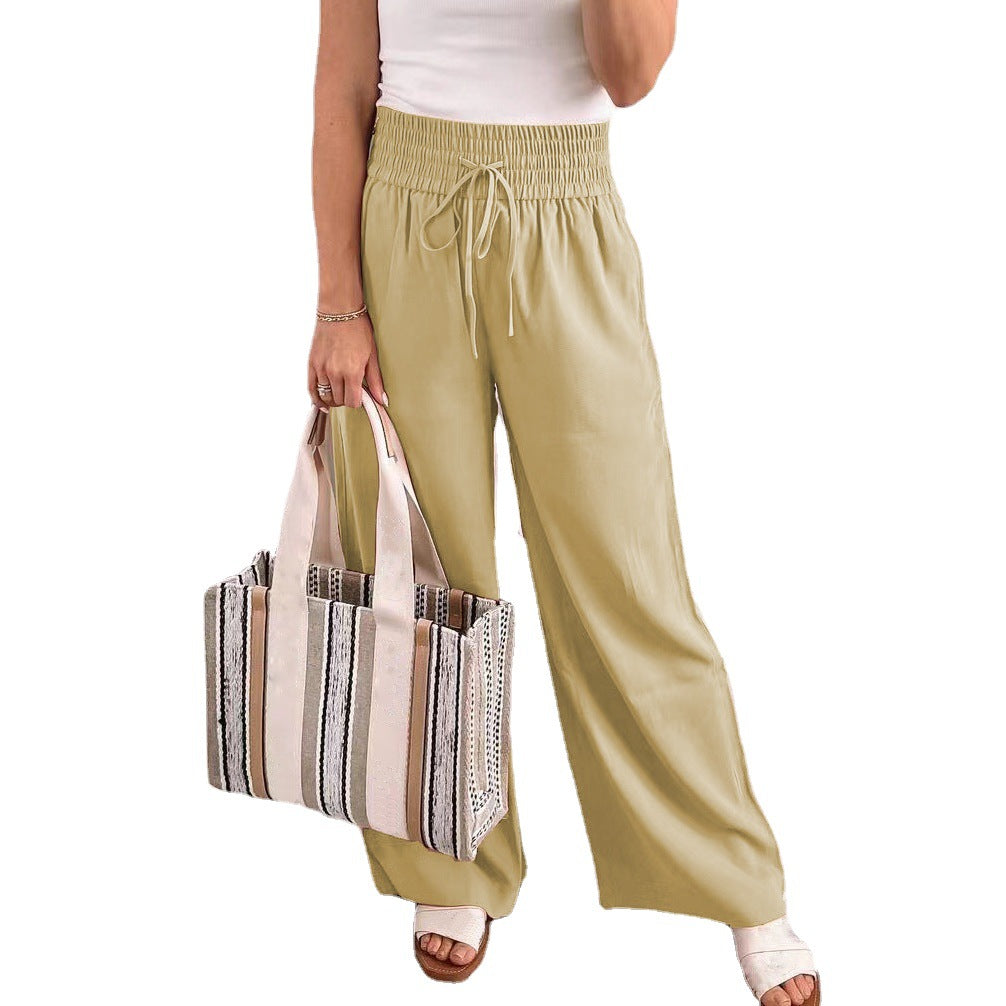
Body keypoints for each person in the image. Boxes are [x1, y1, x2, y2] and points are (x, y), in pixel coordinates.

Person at [307, 2, 819, 1003]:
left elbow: (630, 77)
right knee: (422, 574)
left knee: (628, 574)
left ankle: (736, 879)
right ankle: (452, 857)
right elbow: (341, 83)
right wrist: (339, 301)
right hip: (402, 207)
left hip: (564, 207)